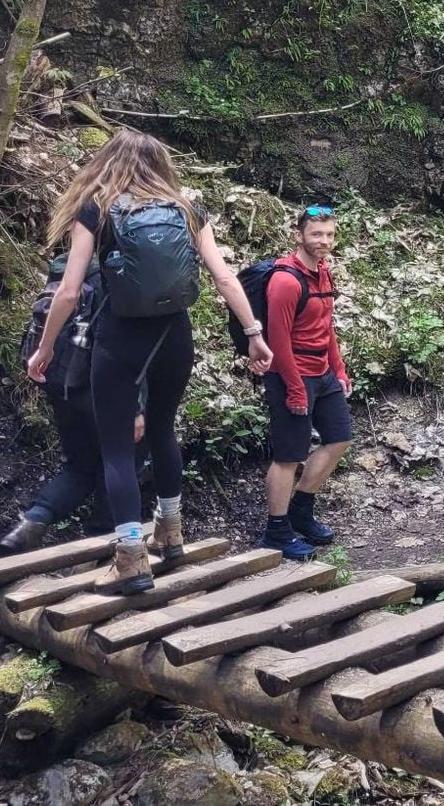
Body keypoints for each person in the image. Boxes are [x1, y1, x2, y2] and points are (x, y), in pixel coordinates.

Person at [27, 130, 272, 595]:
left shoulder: (96, 208)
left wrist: (45, 347)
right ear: (161, 165)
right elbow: (223, 276)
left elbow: (70, 291)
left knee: (118, 449)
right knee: (162, 430)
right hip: (175, 337)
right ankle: (171, 532)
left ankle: (130, 559)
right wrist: (254, 335)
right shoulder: (185, 207)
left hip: (120, 340)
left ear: (107, 163)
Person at [0, 257, 133, 553]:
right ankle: (101, 545)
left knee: (79, 466)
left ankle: (30, 524)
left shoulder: (66, 266)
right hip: (104, 387)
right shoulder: (121, 273)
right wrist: (140, 405)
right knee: (119, 462)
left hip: (63, 379)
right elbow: (126, 347)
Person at [256, 205, 354, 559]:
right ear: (299, 235)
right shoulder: (285, 280)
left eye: (329, 235)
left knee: (340, 437)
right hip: (289, 375)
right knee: (288, 455)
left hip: (322, 372)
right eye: (316, 234)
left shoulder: (323, 273)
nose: (323, 241)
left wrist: (339, 369)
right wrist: (296, 388)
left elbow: (326, 327)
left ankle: (301, 509)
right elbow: (277, 340)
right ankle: (276, 530)